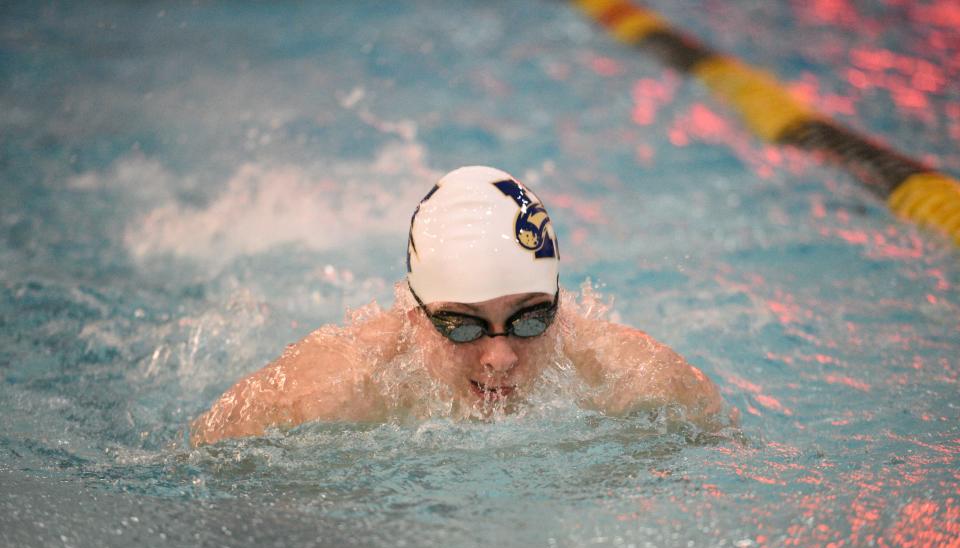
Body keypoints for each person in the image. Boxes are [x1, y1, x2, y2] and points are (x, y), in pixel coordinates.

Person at [191, 166, 732, 446]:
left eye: (530, 318)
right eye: (462, 326)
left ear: (561, 305)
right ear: (413, 312)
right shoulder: (329, 391)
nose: (500, 357)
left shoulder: (641, 383)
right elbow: (194, 460)